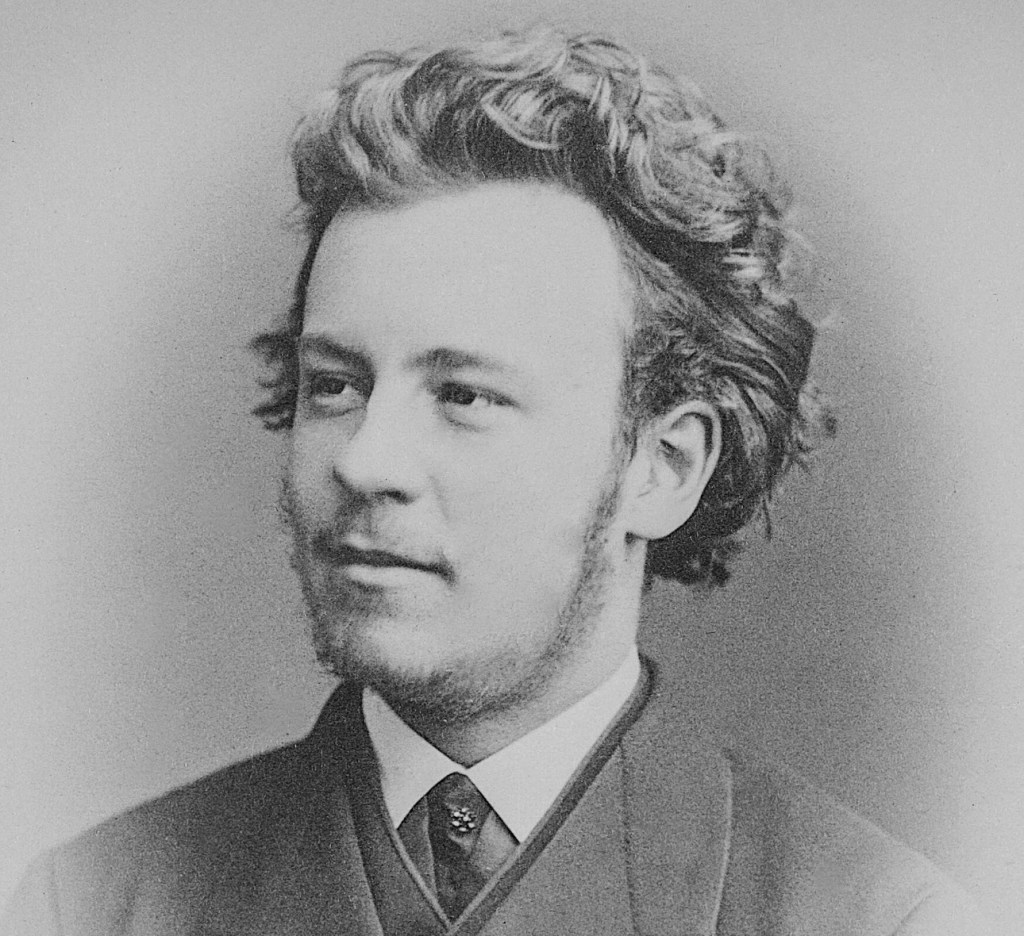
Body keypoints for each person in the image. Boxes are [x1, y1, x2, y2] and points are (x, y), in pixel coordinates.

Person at [2, 27, 989, 936]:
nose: (364, 460)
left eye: (465, 395)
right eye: (334, 384)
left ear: (663, 466)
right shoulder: (90, 906)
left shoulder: (882, 920)